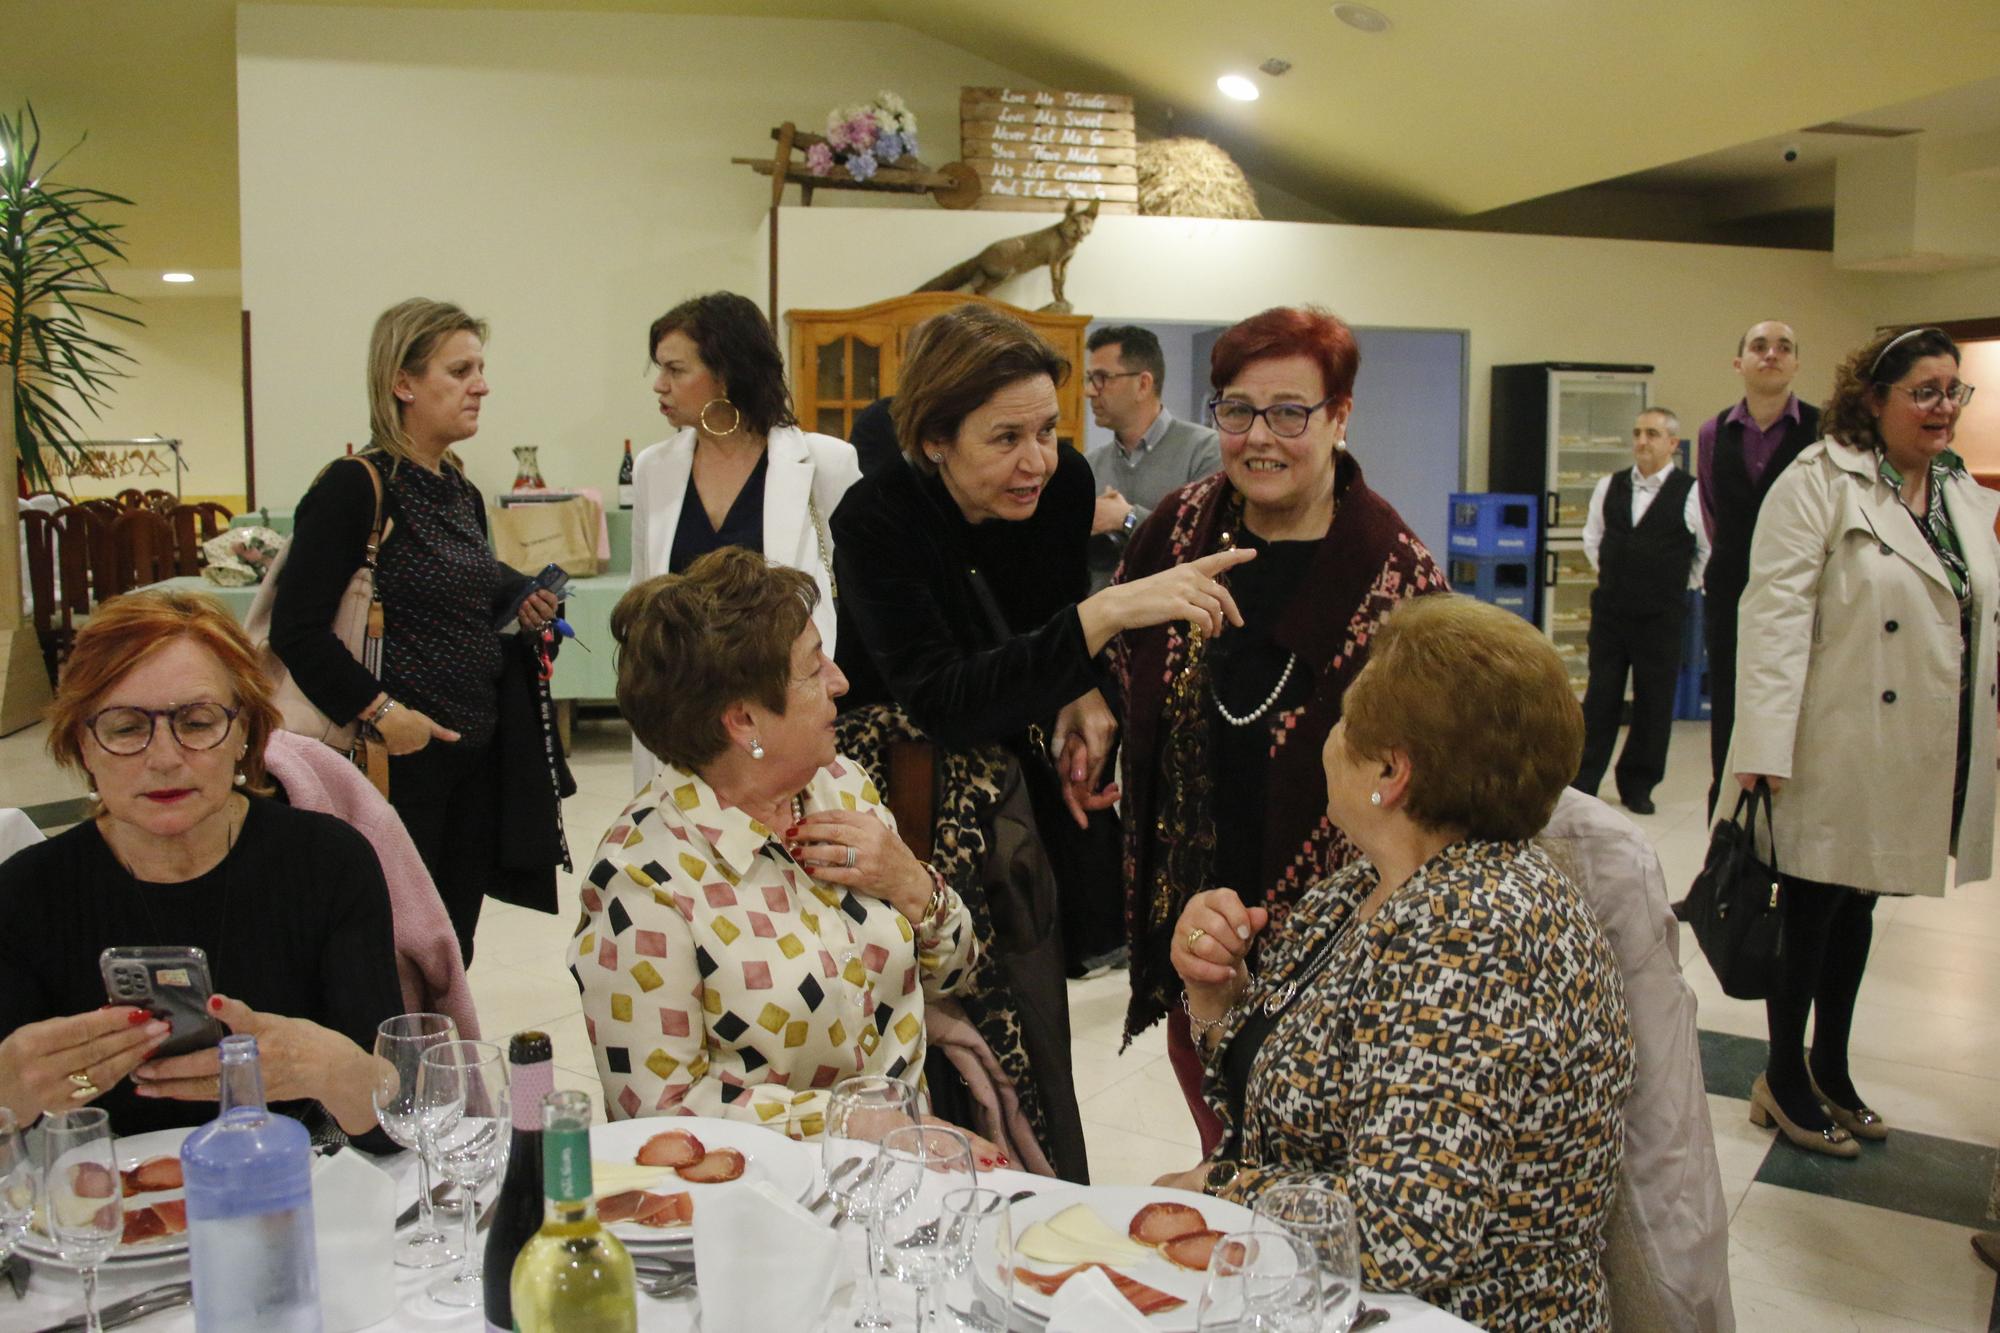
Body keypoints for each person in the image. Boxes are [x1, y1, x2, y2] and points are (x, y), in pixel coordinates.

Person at [830, 302, 1257, 1180]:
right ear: (935, 439)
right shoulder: (876, 519)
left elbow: (1036, 637)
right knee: (922, 1039)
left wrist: (1082, 695)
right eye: (1005, 438)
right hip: (901, 811)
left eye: (1048, 431)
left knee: (1029, 1026)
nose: (1037, 460)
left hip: (1013, 806)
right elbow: (941, 697)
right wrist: (1099, 622)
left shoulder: (1060, 486)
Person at [1162, 595, 1634, 1333]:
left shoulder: (1474, 931)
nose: (1327, 733)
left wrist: (1220, 1185)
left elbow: (1406, 1232)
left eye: (1347, 720)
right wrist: (1216, 994)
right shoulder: (1370, 883)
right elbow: (1287, 1109)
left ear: (1392, 771)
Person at [1110, 304, 1444, 1153]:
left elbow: (1437, 770)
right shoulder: (1181, 527)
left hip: (1333, 923)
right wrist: (1088, 705)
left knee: (1305, 1150)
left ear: (1339, 416)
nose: (1259, 436)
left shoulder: (1394, 571)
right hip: (1192, 890)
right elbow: (1113, 638)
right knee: (1223, 1131)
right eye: (1236, 409)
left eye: (1290, 412)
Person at [570, 550, 990, 1154]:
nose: (841, 680)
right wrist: (863, 1123)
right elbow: (660, 1116)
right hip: (762, 1203)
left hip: (908, 1170)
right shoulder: (642, 881)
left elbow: (957, 970)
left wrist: (912, 884)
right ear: (743, 720)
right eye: (813, 667)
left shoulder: (840, 785)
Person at [1729, 326, 1995, 1157]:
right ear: (1873, 399)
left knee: (1862, 905)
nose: (1943, 406)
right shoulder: (1819, 481)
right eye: (1924, 390)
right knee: (1809, 907)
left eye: (1955, 390)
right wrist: (1764, 745)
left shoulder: (1954, 489)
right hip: (1831, 735)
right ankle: (1782, 1075)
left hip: (1919, 737)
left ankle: (1833, 1068)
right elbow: (1771, 615)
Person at [0, 592, 401, 1142]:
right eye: (123, 727)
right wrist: (9, 1095)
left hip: (300, 1196)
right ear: (81, 746)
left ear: (244, 734)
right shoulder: (24, 894)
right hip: (102, 1210)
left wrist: (337, 1071)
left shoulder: (329, 863)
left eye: (197, 721)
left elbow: (394, 1129)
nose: (164, 757)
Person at [271, 298, 568, 965]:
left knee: (447, 945)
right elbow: (297, 630)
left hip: (472, 764)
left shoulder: (456, 488)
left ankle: (441, 1060)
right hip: (396, 766)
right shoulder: (356, 486)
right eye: (460, 370)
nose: (481, 385)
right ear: (403, 384)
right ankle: (389, 1069)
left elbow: (460, 581)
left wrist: (517, 593)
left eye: (480, 369)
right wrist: (382, 713)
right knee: (386, 945)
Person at [629, 293, 861, 789]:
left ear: (726, 373)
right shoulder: (655, 468)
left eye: (675, 369)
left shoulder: (824, 463)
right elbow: (641, 601)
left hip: (782, 712)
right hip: (683, 717)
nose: (660, 385)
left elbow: (857, 589)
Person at [1698, 320, 1821, 816]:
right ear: (1739, 363)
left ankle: (1785, 814)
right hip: (1731, 585)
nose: (1771, 354)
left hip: (1803, 588)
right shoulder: (1714, 431)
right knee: (1729, 701)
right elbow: (1711, 508)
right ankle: (1725, 816)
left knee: (1796, 699)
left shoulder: (1821, 428)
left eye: (1783, 347)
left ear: (1795, 364)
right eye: (1759, 346)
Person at [1574, 406, 1710, 815]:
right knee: (1601, 696)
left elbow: (1705, 552)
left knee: (1655, 699)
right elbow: (1592, 538)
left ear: (1672, 443)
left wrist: (1670, 585)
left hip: (1662, 614)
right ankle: (1584, 778)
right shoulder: (1609, 486)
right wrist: (1620, 574)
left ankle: (1639, 783)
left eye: (1651, 433)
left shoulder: (1691, 492)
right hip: (1612, 610)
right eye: (1637, 433)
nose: (1642, 441)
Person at [1082, 325, 1222, 592]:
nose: (1090, 391)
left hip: (1175, 624)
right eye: (1088, 379)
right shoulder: (1089, 466)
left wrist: (1127, 519)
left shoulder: (1205, 452)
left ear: (1143, 384)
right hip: (1103, 625)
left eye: (1101, 378)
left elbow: (1207, 544)